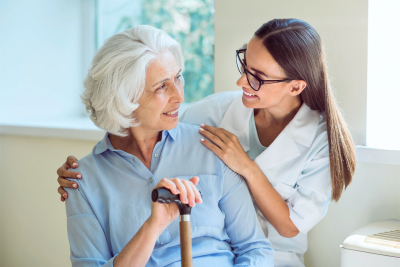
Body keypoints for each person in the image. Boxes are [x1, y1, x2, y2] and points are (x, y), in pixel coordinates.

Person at [57, 19, 357, 267]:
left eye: (257, 77)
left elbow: (278, 234)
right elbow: (137, 126)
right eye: (245, 67)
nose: (179, 96)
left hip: (275, 254)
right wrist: (90, 171)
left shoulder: (317, 140)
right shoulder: (210, 117)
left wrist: (246, 167)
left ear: (295, 86)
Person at [63, 25, 274, 267]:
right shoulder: (83, 180)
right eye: (161, 86)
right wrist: (153, 226)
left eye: (178, 78)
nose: (179, 96)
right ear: (124, 98)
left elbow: (255, 248)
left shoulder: (212, 147)